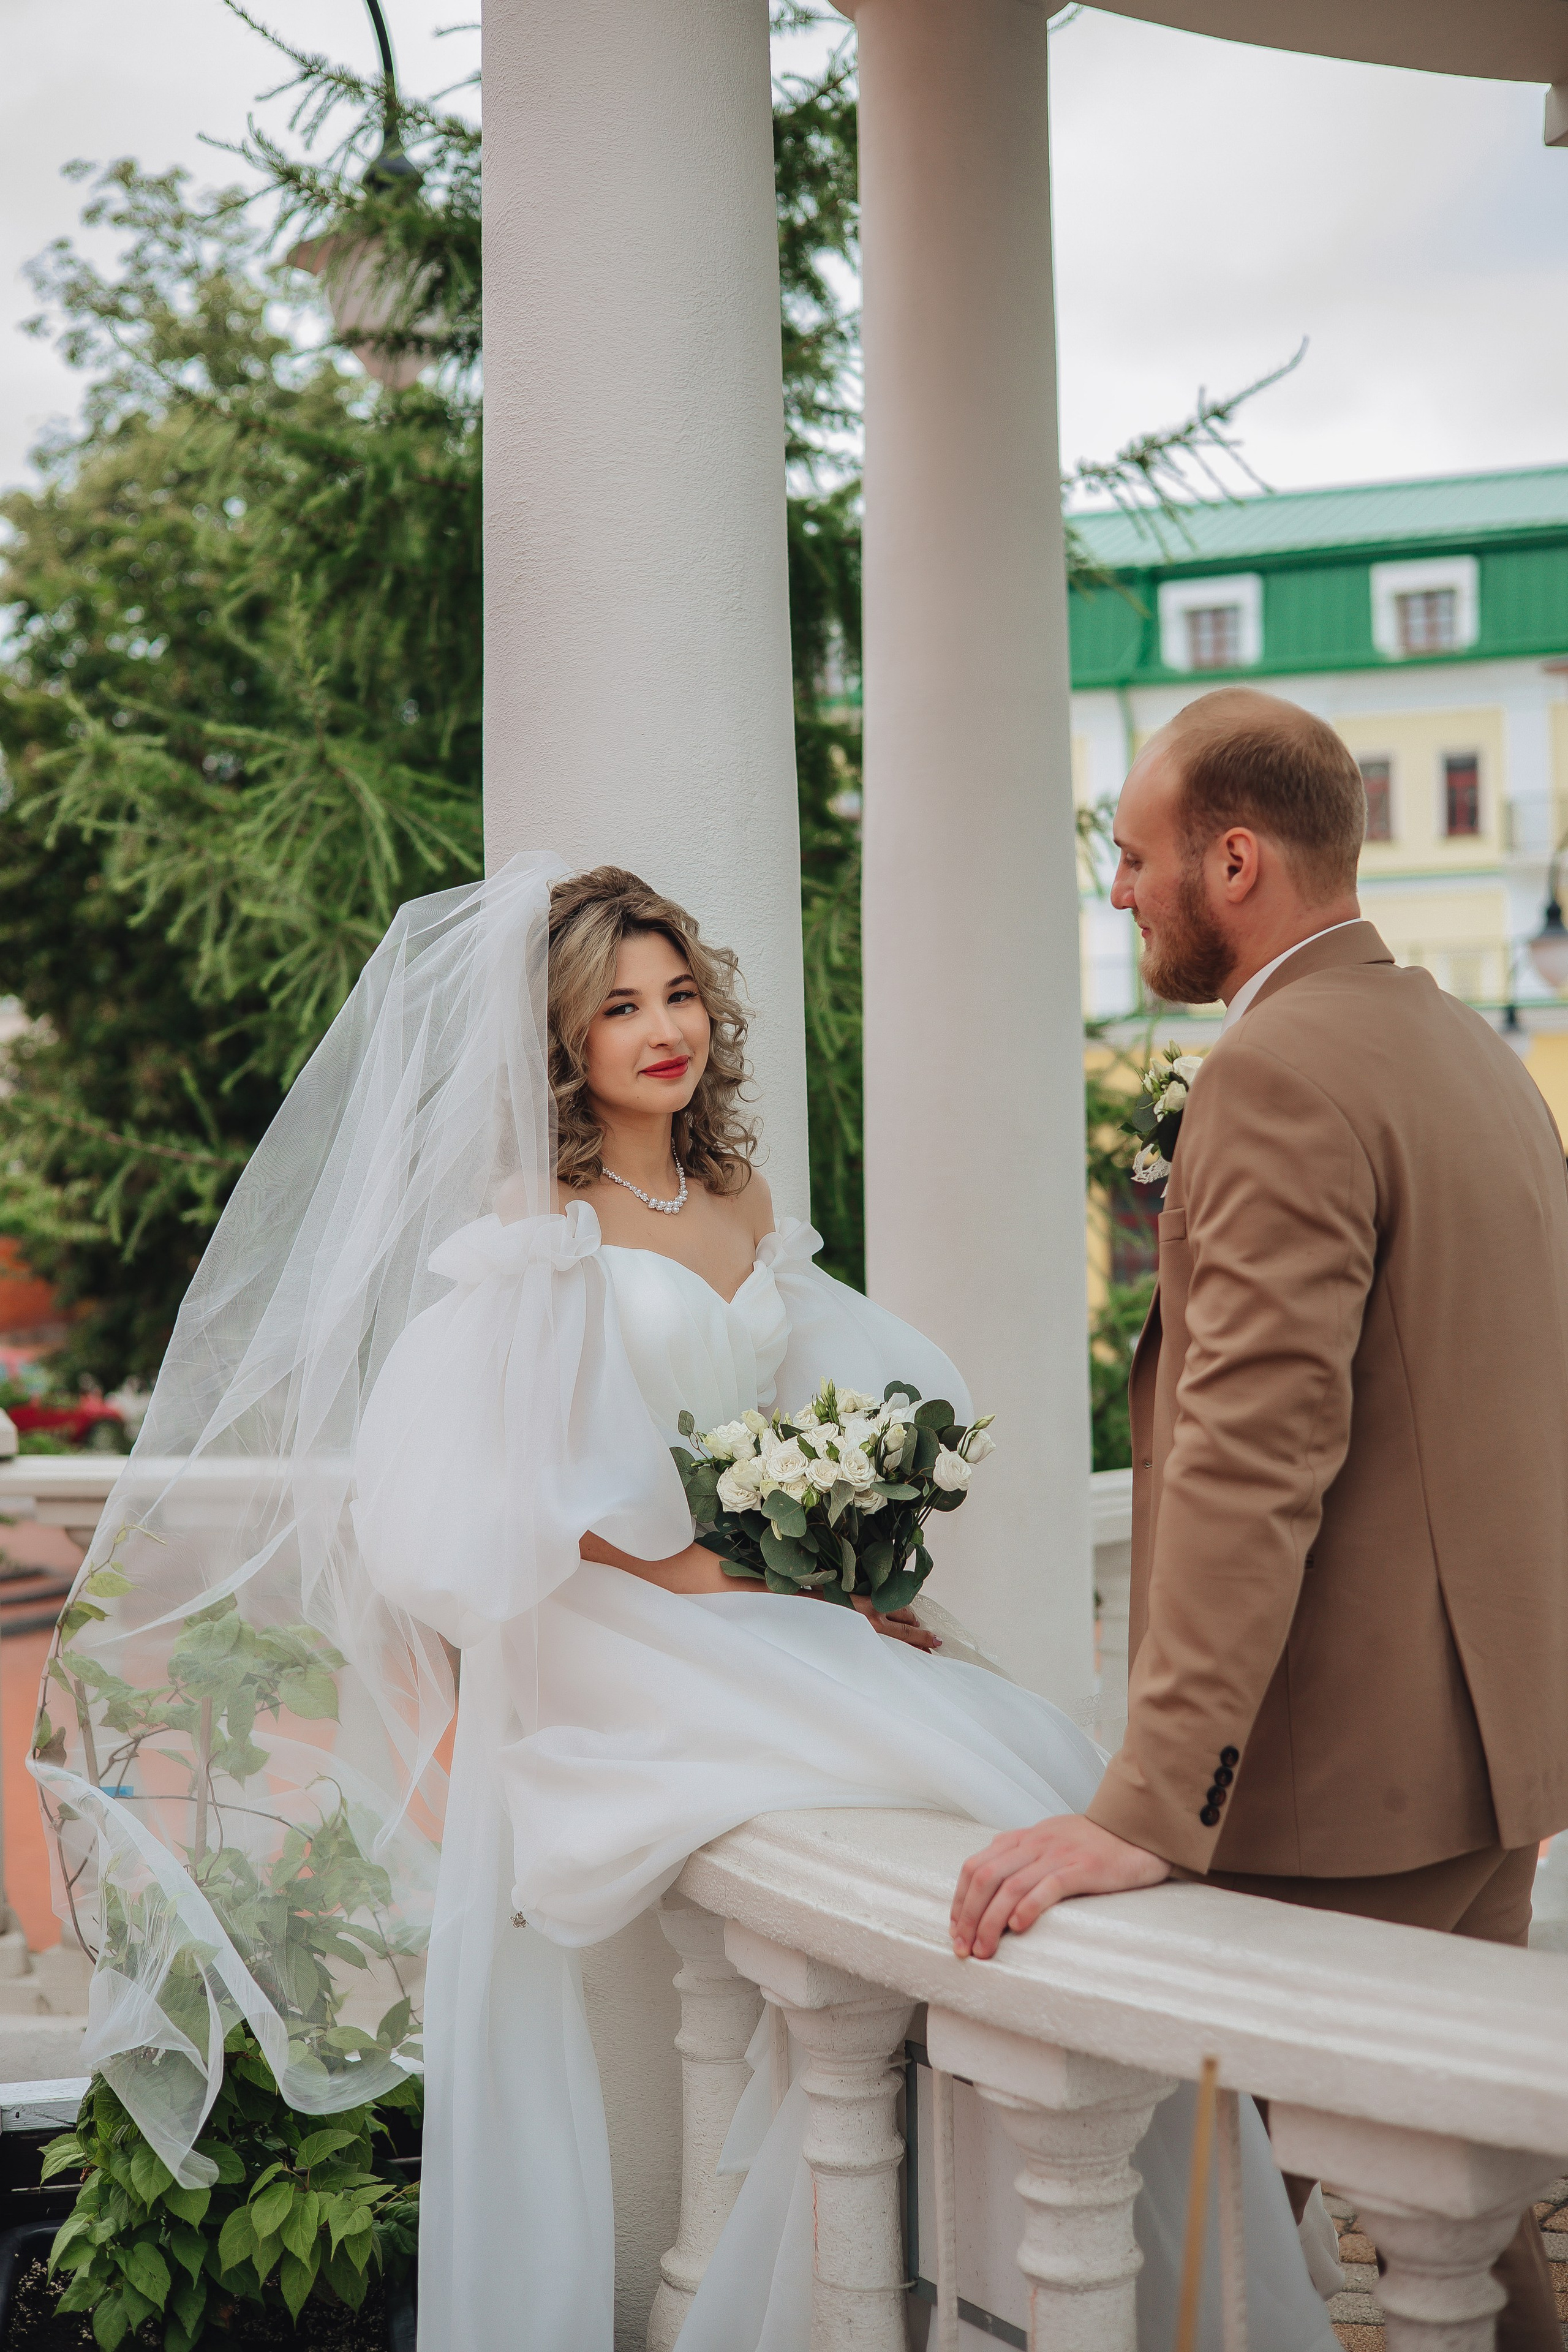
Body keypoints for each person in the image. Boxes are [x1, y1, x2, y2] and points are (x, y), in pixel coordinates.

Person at [37, 854, 1333, 2352]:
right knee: (991, 1765)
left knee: (1027, 1750)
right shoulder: (540, 1214)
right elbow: (472, 1484)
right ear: (560, 1043)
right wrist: (675, 1565)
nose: (663, 1029)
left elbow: (797, 1416)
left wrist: (845, 1574)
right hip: (609, 1629)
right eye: (616, 1008)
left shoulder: (736, 1193)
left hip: (741, 1599)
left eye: (675, 995)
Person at [950, 686, 1568, 2351]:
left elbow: (1252, 1449)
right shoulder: (1473, 1056)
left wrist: (1151, 1797)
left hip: (1338, 1787)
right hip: (1493, 1759)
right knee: (1472, 2206)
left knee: (1203, 2243)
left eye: (1139, 861)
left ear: (1238, 861)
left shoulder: (1281, 1073)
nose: (1124, 896)